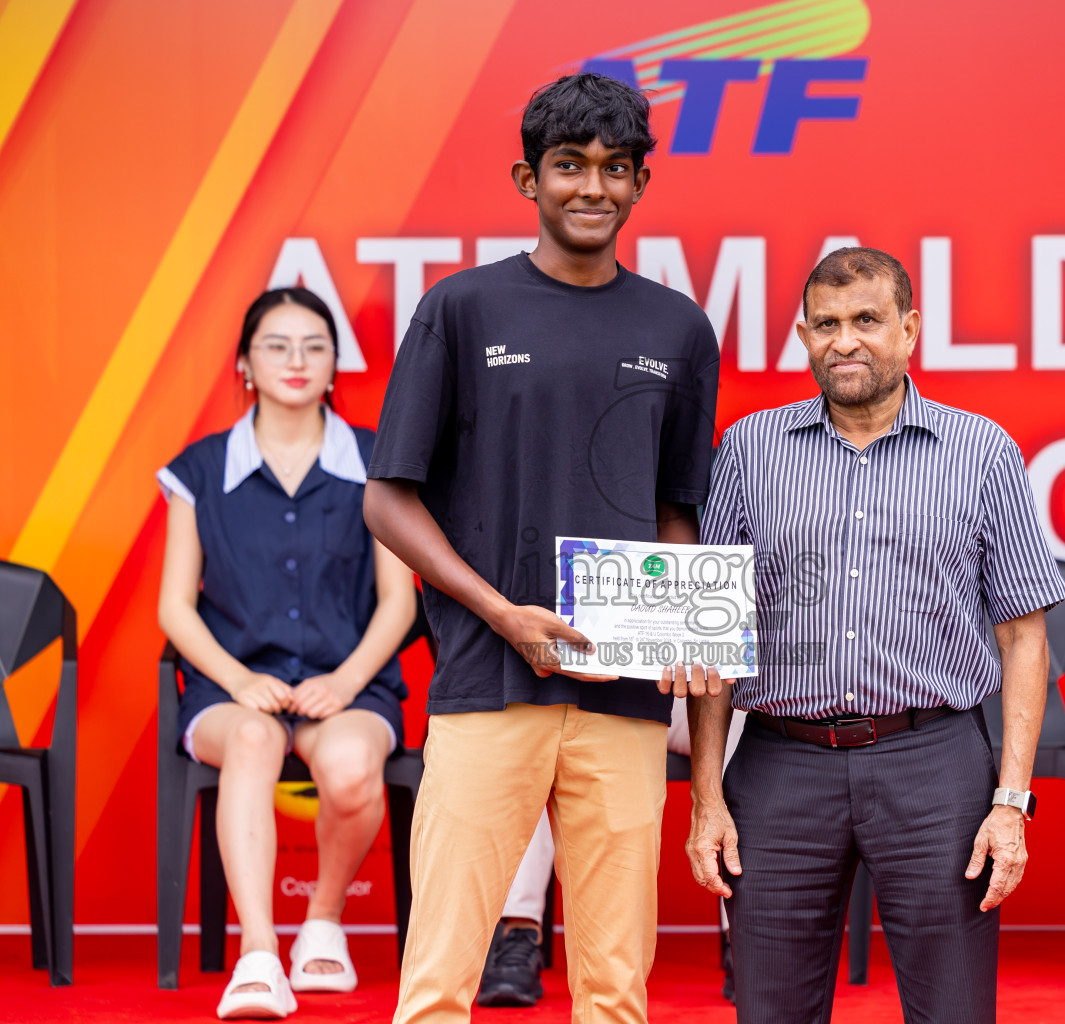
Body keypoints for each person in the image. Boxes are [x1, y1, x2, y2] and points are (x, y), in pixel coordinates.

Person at [362, 72, 720, 1024]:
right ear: (529, 177)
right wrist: (500, 615)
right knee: (439, 979)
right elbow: (387, 501)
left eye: (615, 168)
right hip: (489, 682)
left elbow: (677, 509)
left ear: (643, 181)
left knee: (614, 987)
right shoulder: (461, 310)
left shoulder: (680, 330)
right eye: (569, 166)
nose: (592, 188)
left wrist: (686, 624)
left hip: (627, 699)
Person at [671, 247, 1065, 1024]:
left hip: (935, 767)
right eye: (826, 324)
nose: (844, 341)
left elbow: (1025, 636)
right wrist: (707, 797)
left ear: (909, 329)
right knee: (771, 1011)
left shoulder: (982, 452)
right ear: (803, 334)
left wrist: (1010, 804)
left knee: (952, 1010)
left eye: (866, 320)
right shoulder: (750, 451)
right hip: (780, 769)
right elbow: (714, 639)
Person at [157, 287, 416, 1020]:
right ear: (244, 364)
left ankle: (322, 922)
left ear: (336, 364)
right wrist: (238, 679)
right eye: (276, 345)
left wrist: (346, 681)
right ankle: (261, 955)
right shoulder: (200, 471)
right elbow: (174, 604)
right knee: (249, 738)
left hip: (349, 684)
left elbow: (399, 599)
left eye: (314, 346)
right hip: (230, 687)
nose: (296, 361)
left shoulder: (374, 460)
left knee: (351, 765)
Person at [477, 698, 748, 1007]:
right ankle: (519, 931)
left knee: (739, 722)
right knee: (542, 742)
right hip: (599, 693)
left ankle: (741, 941)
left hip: (673, 692)